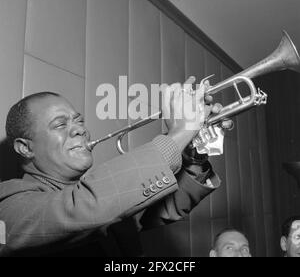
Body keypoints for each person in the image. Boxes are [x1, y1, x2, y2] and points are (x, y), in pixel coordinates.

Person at [0, 77, 230, 256]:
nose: (80, 129)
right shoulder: (7, 208)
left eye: (79, 121)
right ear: (25, 148)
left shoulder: (101, 194)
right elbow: (82, 208)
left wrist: (193, 153)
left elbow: (162, 210)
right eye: (60, 124)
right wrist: (179, 134)